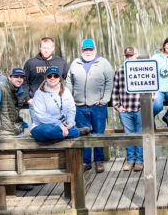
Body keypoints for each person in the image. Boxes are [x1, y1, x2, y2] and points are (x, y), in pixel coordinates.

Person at [67, 39, 114, 173]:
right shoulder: (75, 63)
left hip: (97, 105)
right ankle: (86, 161)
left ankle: (99, 161)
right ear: (81, 50)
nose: (88, 52)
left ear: (95, 50)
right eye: (85, 50)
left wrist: (105, 99)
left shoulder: (103, 63)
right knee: (83, 134)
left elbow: (110, 81)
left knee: (99, 133)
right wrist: (70, 99)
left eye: (90, 49)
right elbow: (69, 82)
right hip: (79, 106)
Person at [31, 66, 90, 142]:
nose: (52, 78)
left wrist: (70, 123)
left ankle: (65, 132)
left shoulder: (66, 91)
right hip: (43, 125)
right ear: (45, 78)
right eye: (49, 76)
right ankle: (76, 132)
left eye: (55, 76)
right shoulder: (39, 93)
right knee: (47, 132)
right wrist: (59, 126)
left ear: (59, 78)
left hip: (64, 125)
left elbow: (71, 109)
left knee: (52, 133)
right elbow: (42, 116)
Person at [112, 47, 143, 172]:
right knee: (129, 136)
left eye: (132, 55)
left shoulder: (143, 69)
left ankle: (140, 161)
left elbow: (151, 89)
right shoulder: (119, 71)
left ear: (137, 55)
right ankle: (130, 160)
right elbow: (115, 90)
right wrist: (117, 106)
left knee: (141, 135)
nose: (129, 58)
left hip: (140, 109)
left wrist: (149, 103)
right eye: (127, 56)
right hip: (125, 110)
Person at [24, 37, 70, 114]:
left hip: (56, 103)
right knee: (38, 126)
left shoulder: (60, 62)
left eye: (48, 48)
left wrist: (68, 97)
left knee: (57, 126)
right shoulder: (31, 63)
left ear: (53, 48)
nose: (46, 50)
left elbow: (70, 80)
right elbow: (23, 82)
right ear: (40, 47)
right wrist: (27, 98)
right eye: (44, 48)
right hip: (36, 103)